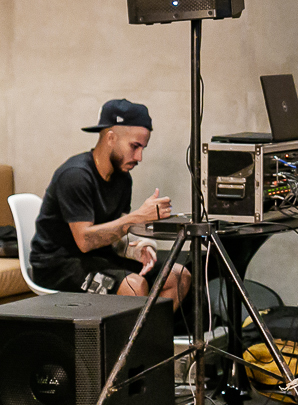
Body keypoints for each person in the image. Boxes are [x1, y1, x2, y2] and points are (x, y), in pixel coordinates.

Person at [30, 99, 191, 309]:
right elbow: (85, 241)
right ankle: (131, 341)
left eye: (143, 148)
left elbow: (117, 234)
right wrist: (139, 217)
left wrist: (137, 249)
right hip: (58, 265)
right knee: (134, 286)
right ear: (111, 138)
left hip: (99, 258)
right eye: (134, 146)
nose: (139, 157)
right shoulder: (76, 176)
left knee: (178, 276)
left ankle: (148, 338)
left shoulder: (123, 179)